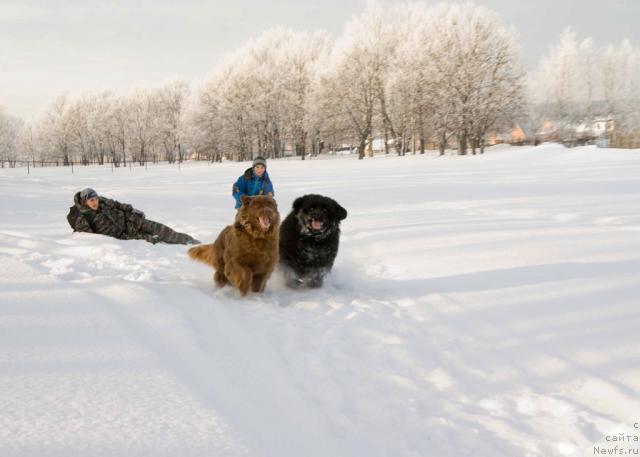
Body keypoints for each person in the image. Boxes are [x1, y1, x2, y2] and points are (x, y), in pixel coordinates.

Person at [67, 188, 200, 245]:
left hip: (132, 220)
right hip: (126, 236)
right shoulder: (83, 219)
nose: (95, 202)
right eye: (91, 200)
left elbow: (118, 205)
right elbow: (93, 240)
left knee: (163, 230)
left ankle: (191, 242)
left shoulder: (102, 201)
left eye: (95, 198)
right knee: (155, 240)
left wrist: (132, 210)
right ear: (85, 202)